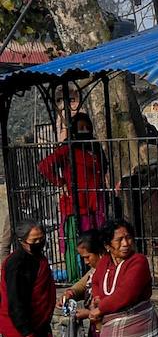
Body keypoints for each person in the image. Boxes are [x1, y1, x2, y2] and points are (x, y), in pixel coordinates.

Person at [37, 112, 106, 279]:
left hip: (95, 202)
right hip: (76, 205)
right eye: (80, 127)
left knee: (96, 241)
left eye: (86, 127)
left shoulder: (94, 147)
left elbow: (103, 169)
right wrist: (61, 183)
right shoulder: (68, 148)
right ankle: (77, 276)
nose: (84, 130)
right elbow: (44, 166)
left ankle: (97, 275)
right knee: (75, 242)